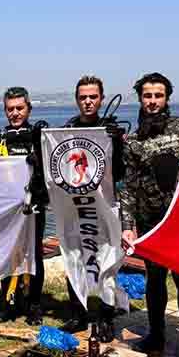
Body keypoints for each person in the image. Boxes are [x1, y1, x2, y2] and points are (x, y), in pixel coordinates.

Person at [120, 72, 179, 357]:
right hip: (150, 221)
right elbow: (128, 187)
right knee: (154, 279)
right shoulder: (133, 140)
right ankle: (156, 334)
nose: (153, 101)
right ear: (140, 99)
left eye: (158, 95)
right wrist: (128, 226)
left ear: (167, 98)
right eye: (147, 96)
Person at [60, 75, 126, 335]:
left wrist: (116, 143)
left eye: (93, 97)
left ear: (101, 99)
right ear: (76, 100)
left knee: (107, 260)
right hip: (76, 205)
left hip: (104, 205)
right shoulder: (67, 129)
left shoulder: (110, 129)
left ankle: (107, 317)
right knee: (74, 256)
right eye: (83, 97)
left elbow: (120, 172)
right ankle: (78, 314)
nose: (88, 101)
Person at [0, 86, 46, 327]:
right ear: (5, 111)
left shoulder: (39, 135)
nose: (15, 113)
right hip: (6, 208)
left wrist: (39, 160)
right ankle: (9, 302)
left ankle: (34, 305)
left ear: (29, 108)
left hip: (34, 205)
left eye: (20, 108)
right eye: (10, 109)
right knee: (8, 253)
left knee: (34, 254)